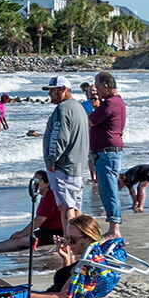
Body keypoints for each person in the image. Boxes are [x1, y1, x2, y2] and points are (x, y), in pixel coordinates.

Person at [0, 215, 102, 298]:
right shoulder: (89, 259)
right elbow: (66, 283)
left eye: (72, 240)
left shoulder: (86, 265)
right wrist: (66, 258)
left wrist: (23, 296)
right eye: (66, 238)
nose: (68, 243)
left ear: (88, 239)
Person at [0, 171, 63, 254]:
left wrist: (22, 233)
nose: (34, 183)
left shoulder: (50, 196)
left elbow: (39, 220)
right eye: (33, 180)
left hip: (54, 234)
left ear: (47, 183)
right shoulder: (45, 196)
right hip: (46, 231)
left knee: (19, 239)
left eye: (38, 181)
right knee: (21, 238)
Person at [41, 75, 89, 237]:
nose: (50, 95)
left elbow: (59, 137)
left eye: (52, 91)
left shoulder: (63, 110)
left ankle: (70, 242)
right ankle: (82, 240)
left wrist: (50, 160)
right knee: (75, 206)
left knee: (66, 207)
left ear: (63, 90)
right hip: (77, 165)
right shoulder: (79, 107)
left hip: (64, 165)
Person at [88, 71, 127, 240]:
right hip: (109, 150)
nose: (96, 90)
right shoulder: (117, 102)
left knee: (108, 189)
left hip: (107, 152)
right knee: (108, 188)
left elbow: (90, 120)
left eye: (97, 86)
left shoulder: (110, 103)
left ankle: (114, 228)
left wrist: (89, 103)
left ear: (105, 85)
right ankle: (114, 226)